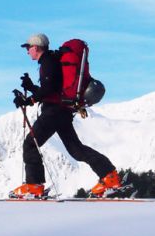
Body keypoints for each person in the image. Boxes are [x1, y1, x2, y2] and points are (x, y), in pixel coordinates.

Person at [9, 33, 121, 199]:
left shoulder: (47, 61)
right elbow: (53, 89)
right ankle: (109, 176)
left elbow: (49, 90)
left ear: (36, 47)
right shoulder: (51, 60)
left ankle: (34, 185)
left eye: (28, 48)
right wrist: (32, 87)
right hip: (63, 111)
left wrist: (29, 100)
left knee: (30, 144)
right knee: (76, 150)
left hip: (54, 112)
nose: (27, 51)